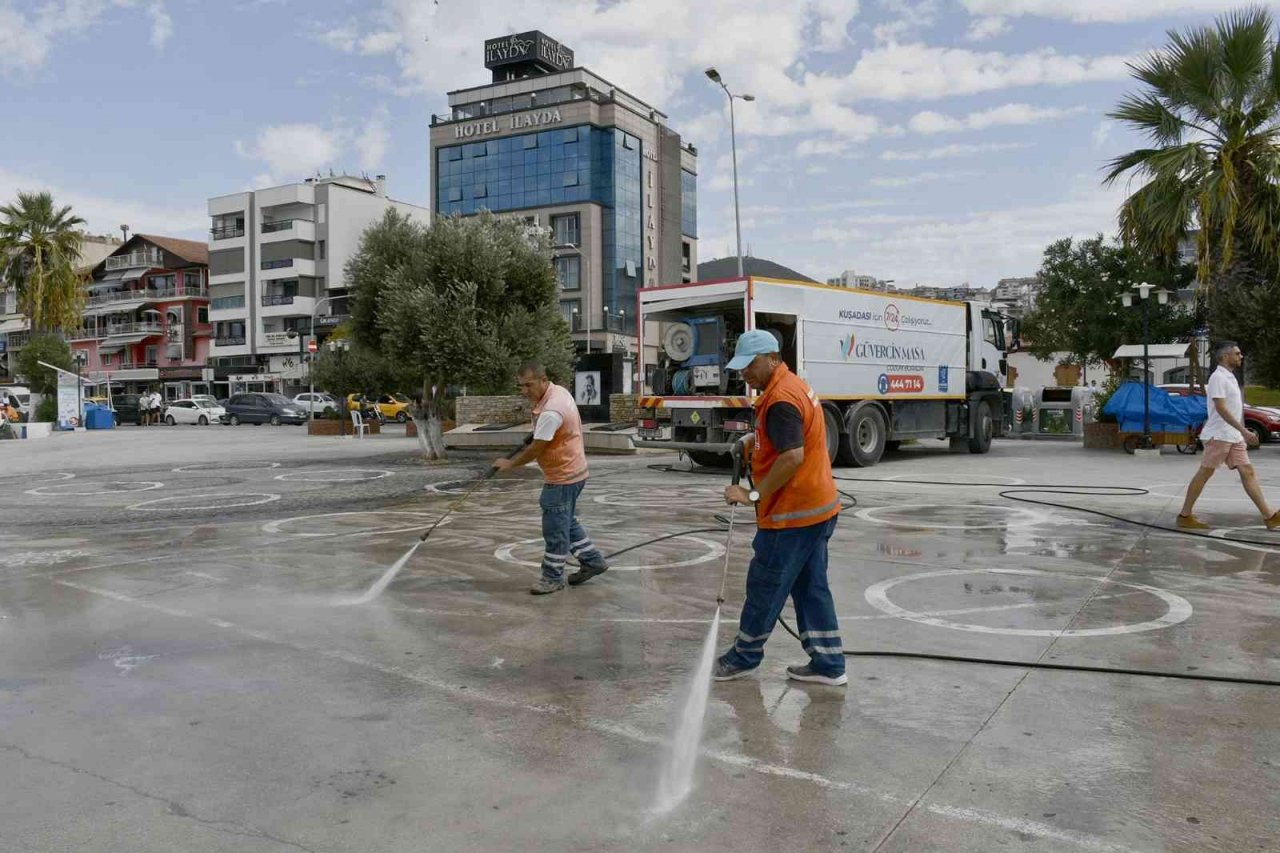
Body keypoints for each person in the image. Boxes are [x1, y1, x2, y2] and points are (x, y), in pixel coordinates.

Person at [713, 330, 846, 687]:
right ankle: (829, 663)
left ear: (773, 358)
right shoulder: (791, 386)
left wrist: (752, 495)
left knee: (765, 585)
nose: (745, 375)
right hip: (818, 509)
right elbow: (785, 439)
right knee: (811, 588)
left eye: (751, 366)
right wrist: (751, 441)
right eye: (741, 368)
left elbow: (791, 456)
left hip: (792, 515)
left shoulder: (780, 399)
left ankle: (744, 656)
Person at [493, 363, 610, 594]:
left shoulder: (551, 411)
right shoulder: (559, 392)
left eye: (529, 385)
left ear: (543, 380)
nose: (525, 391)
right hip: (575, 472)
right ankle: (593, 561)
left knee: (555, 528)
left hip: (562, 476)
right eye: (521, 387)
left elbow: (537, 448)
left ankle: (552, 577)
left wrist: (511, 463)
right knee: (566, 522)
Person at [1177, 341, 1280, 531]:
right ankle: (1185, 515)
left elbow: (1233, 408)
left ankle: (1269, 516)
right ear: (1225, 357)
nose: (1241, 356)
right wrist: (1244, 430)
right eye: (1237, 354)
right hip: (1219, 435)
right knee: (1205, 472)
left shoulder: (1230, 377)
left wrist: (1240, 432)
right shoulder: (1218, 378)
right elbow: (1221, 408)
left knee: (1247, 472)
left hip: (1233, 436)